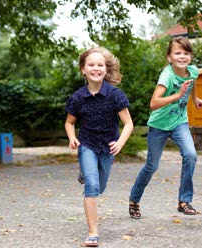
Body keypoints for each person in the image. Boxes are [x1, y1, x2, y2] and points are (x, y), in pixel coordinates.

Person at [65, 46, 133, 247]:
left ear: (106, 69)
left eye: (100, 65)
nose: (96, 68)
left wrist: (120, 142)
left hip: (108, 147)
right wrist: (71, 138)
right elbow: (70, 122)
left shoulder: (115, 95)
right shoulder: (77, 98)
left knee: (99, 186)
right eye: (91, 65)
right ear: (83, 70)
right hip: (87, 145)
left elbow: (128, 123)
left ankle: (85, 174)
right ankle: (93, 232)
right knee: (92, 187)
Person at [129, 36, 202, 219]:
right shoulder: (167, 76)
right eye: (177, 53)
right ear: (169, 57)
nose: (182, 56)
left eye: (186, 53)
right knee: (151, 166)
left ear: (190, 57)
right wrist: (178, 95)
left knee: (191, 155)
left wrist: (194, 99)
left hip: (179, 122)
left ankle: (184, 201)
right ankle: (134, 200)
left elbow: (191, 83)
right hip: (159, 125)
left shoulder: (192, 71)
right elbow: (153, 103)